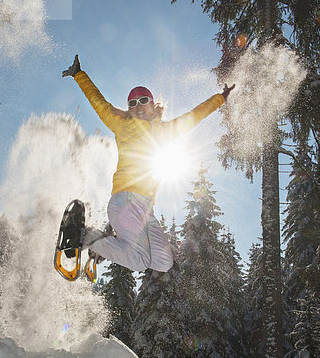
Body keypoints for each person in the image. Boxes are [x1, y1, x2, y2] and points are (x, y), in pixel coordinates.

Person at [62, 54, 234, 273]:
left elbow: (194, 116)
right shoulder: (121, 123)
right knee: (141, 261)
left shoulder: (165, 131)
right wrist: (79, 74)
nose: (138, 105)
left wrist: (220, 99)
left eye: (143, 100)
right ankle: (87, 237)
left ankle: (110, 245)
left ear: (153, 105)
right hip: (125, 199)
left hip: (145, 210)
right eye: (132, 103)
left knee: (163, 262)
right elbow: (99, 102)